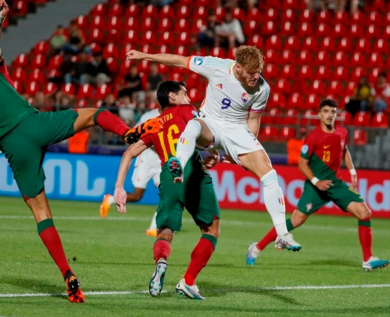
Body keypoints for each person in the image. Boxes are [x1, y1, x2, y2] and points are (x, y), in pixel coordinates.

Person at [0, 0, 151, 304]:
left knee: (42, 214)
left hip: (13, 147)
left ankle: (67, 273)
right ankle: (128, 133)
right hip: (35, 124)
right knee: (94, 113)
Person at [126, 45, 301, 251]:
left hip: (237, 130)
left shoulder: (262, 89)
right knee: (193, 124)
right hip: (210, 124)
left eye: (258, 72)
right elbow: (179, 60)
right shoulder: (216, 66)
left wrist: (236, 152)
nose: (256, 77)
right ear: (238, 68)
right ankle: (179, 164)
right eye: (251, 72)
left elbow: (253, 120)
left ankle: (282, 233)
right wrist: (145, 55)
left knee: (270, 175)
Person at [246, 99, 390, 270]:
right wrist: (316, 181)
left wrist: (352, 171)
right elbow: (302, 163)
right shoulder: (313, 137)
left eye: (333, 111)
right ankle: (256, 248)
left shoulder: (342, 132)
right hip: (315, 186)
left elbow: (344, 151)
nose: (330, 115)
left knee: (364, 212)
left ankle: (368, 259)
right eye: (326, 111)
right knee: (296, 220)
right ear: (320, 114)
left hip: (334, 184)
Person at [113, 81, 221, 300]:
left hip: (167, 175)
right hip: (190, 169)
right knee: (211, 230)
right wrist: (215, 153)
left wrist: (118, 187)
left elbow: (128, 153)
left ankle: (161, 261)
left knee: (165, 231)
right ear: (172, 97)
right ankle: (189, 281)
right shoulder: (187, 110)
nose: (188, 96)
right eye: (184, 92)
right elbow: (201, 135)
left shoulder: (153, 123)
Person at [100, 106, 162, 237]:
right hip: (145, 160)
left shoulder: (171, 117)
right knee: (137, 196)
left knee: (166, 193)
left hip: (161, 162)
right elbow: (138, 136)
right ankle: (110, 199)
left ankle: (154, 227)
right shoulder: (148, 116)